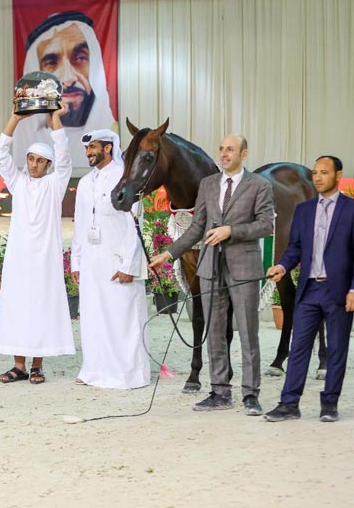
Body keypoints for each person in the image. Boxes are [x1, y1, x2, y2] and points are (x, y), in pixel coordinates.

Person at [150, 135, 274, 415]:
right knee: (215, 331)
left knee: (247, 332)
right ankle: (219, 391)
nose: (224, 153)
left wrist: (232, 231)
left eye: (230, 149)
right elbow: (196, 228)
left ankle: (251, 394)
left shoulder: (259, 185)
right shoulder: (207, 185)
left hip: (243, 267)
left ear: (244, 153)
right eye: (221, 149)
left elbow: (266, 225)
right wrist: (169, 254)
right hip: (210, 266)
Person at [264, 156, 354, 422]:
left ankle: (329, 404)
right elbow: (294, 248)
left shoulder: (351, 209)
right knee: (299, 347)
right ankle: (289, 404)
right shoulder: (303, 210)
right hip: (309, 290)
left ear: (338, 175)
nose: (317, 177)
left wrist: (353, 289)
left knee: (337, 349)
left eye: (323, 173)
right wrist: (282, 265)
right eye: (315, 173)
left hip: (338, 291)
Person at [0, 103, 75, 385]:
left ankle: (38, 365)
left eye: (40, 161)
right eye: (30, 159)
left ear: (48, 165)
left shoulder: (56, 184)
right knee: (18, 306)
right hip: (19, 258)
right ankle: (18, 366)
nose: (34, 165)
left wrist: (55, 121)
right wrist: (14, 119)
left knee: (42, 307)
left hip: (46, 259)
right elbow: (0, 155)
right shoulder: (17, 183)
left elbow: (65, 159)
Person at [71, 129, 150, 389]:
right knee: (93, 316)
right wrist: (76, 261)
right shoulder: (85, 182)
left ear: (108, 147)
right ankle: (94, 370)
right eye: (86, 148)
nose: (89, 153)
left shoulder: (124, 176)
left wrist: (129, 264)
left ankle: (127, 374)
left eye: (93, 147)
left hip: (118, 260)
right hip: (93, 260)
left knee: (122, 318)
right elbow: (81, 224)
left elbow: (135, 225)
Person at [13, 11, 116, 168]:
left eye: (80, 58)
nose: (68, 79)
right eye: (51, 62)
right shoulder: (25, 140)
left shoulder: (111, 134)